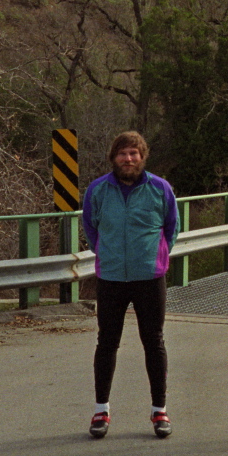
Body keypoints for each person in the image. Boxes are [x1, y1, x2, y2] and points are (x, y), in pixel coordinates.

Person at [82, 131, 179, 439]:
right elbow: (90, 228)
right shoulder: (98, 190)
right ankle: (101, 411)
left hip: (149, 277)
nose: (128, 159)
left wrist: (156, 256)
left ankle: (159, 411)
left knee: (154, 342)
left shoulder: (160, 188)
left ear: (142, 157)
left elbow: (171, 228)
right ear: (114, 157)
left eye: (134, 153)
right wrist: (107, 253)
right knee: (106, 343)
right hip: (111, 277)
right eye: (123, 153)